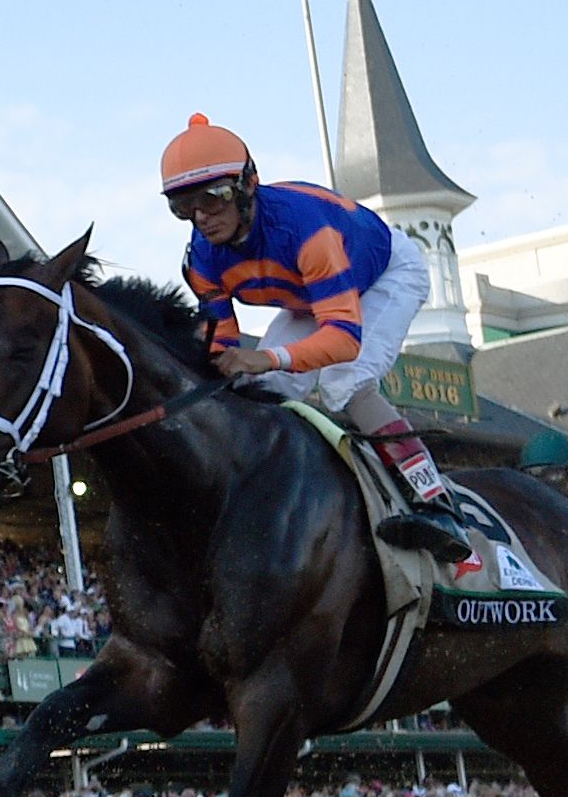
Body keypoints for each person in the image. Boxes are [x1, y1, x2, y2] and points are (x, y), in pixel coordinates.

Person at [162, 113, 477, 563]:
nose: (201, 217)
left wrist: (266, 357)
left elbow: (344, 340)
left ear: (248, 185)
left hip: (384, 276)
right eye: (183, 206)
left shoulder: (309, 232)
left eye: (213, 199)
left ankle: (436, 504)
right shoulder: (201, 259)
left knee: (343, 382)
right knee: (260, 391)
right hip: (312, 299)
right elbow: (223, 348)